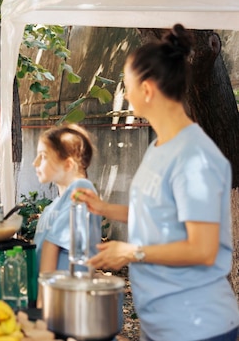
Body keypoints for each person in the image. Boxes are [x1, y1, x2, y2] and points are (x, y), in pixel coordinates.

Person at [74, 24, 239, 341]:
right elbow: (157, 215)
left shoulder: (195, 157)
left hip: (197, 325)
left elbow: (202, 249)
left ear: (147, 89)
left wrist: (131, 252)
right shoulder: (159, 147)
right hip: (163, 323)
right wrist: (103, 207)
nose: (126, 92)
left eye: (127, 84)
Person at [32, 124, 102, 308]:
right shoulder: (57, 203)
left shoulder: (81, 190)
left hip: (64, 303)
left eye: (44, 156)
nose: (35, 163)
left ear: (68, 164)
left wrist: (41, 306)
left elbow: (51, 247)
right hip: (56, 299)